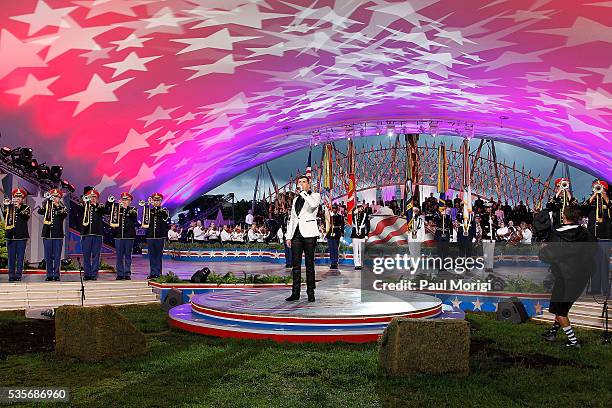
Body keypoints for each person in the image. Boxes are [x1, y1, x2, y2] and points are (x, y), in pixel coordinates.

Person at [539, 205, 597, 348]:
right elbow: (593, 251)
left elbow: (548, 256)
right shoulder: (586, 234)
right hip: (581, 276)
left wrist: (542, 250)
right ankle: (553, 332)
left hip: (565, 276)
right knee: (562, 307)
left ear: (563, 216)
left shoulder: (557, 235)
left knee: (560, 311)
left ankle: (573, 341)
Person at [285, 175, 321, 302]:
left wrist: (304, 193)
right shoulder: (295, 200)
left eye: (303, 182)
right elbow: (293, 219)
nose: (301, 184)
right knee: (296, 265)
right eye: (299, 182)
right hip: (296, 235)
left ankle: (310, 293)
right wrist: (288, 236)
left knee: (309, 265)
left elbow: (313, 205)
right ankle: (295, 293)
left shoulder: (315, 196)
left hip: (310, 234)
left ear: (308, 184)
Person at [584, 179, 611, 295]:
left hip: (605, 236)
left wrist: (605, 197)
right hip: (592, 237)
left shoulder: (608, 202)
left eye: (600, 187)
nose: (598, 189)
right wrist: (594, 195)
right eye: (595, 187)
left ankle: (605, 289)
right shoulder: (591, 202)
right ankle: (595, 288)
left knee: (604, 264)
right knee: (594, 263)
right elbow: (583, 210)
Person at [37, 188, 68, 281]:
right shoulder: (46, 207)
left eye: (57, 197)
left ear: (60, 198)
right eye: (53, 196)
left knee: (57, 256)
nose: (54, 198)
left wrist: (57, 205)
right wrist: (47, 201)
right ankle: (49, 274)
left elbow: (64, 215)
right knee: (48, 256)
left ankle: (57, 274)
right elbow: (40, 211)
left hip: (58, 235)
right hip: (47, 235)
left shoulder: (62, 208)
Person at [106, 192, 138, 280]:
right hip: (118, 235)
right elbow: (107, 211)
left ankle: (127, 273)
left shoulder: (133, 209)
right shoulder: (116, 209)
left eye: (126, 200)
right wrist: (110, 203)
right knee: (119, 256)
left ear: (130, 201)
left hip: (129, 236)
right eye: (123, 200)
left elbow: (133, 216)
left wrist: (125, 208)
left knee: (128, 255)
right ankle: (120, 273)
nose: (124, 201)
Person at [3, 188, 30, 282]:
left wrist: (18, 207)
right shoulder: (9, 207)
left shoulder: (26, 207)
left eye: (19, 197)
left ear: (23, 199)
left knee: (20, 257)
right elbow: (5, 215)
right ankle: (11, 275)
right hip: (10, 235)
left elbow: (25, 216)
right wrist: (7, 206)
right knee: (11, 257)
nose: (17, 198)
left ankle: (18, 275)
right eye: (16, 197)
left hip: (21, 236)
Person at [79, 188, 105, 280]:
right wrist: (85, 203)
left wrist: (95, 205)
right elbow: (79, 209)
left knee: (96, 255)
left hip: (97, 234)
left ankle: (94, 274)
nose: (92, 199)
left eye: (94, 197)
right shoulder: (84, 207)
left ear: (97, 198)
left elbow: (105, 210)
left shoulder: (100, 207)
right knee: (86, 255)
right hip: (86, 234)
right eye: (91, 197)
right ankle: (87, 274)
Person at [144, 193, 169, 279]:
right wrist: (147, 205)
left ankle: (158, 272)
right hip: (150, 236)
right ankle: (152, 272)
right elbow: (145, 219)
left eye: (158, 200)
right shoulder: (149, 211)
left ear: (161, 201)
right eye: (154, 200)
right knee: (151, 255)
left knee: (158, 255)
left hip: (160, 236)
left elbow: (165, 217)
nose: (156, 202)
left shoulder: (164, 210)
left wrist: (157, 208)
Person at [351, 203, 369, 270]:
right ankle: (356, 264)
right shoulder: (354, 214)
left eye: (361, 207)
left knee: (361, 250)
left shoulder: (365, 214)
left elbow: (368, 224)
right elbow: (352, 218)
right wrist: (354, 213)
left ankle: (361, 264)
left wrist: (367, 234)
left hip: (362, 233)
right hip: (355, 233)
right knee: (355, 250)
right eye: (358, 207)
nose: (360, 208)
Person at [326, 204, 344, 270]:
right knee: (331, 249)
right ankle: (332, 262)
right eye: (333, 208)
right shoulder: (329, 216)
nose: (334, 210)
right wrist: (330, 215)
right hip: (330, 233)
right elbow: (326, 222)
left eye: (335, 209)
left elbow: (342, 225)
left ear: (337, 209)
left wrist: (342, 234)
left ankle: (335, 262)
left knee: (336, 249)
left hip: (336, 233)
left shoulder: (340, 216)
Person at [480, 204, 498, 272]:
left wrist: (493, 223)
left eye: (490, 208)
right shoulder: (483, 216)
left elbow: (497, 226)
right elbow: (482, 225)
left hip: (492, 236)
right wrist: (485, 232)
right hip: (485, 236)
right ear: (485, 209)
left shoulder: (494, 216)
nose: (488, 209)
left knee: (491, 252)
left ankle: (490, 267)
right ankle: (486, 266)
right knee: (485, 252)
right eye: (487, 208)